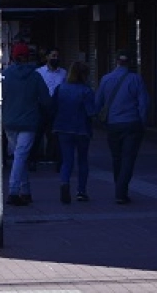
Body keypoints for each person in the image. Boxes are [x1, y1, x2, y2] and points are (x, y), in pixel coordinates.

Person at [96, 49, 150, 204]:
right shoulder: (136, 79)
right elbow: (143, 103)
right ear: (131, 62)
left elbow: (98, 102)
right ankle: (121, 190)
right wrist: (142, 121)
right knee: (128, 158)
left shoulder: (106, 79)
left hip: (113, 125)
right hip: (132, 123)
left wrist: (101, 120)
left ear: (116, 61)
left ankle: (118, 187)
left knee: (116, 157)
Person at [2, 43, 50, 206]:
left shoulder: (4, 75)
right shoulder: (35, 76)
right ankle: (14, 190)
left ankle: (25, 190)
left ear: (13, 57)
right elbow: (45, 100)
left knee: (18, 156)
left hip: (9, 121)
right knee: (20, 156)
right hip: (29, 121)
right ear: (28, 57)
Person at [49, 61, 99, 203]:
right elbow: (91, 112)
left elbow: (53, 107)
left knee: (67, 160)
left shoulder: (61, 88)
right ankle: (81, 191)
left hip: (63, 128)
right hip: (82, 129)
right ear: (84, 75)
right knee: (83, 160)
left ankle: (64, 182)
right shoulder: (86, 90)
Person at [31, 48, 67, 171]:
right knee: (37, 135)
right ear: (47, 57)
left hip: (57, 107)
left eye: (57, 56)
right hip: (41, 107)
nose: (55, 58)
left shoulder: (63, 73)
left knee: (56, 136)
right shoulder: (38, 72)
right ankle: (32, 160)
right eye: (53, 56)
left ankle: (58, 161)